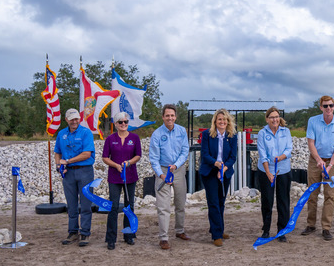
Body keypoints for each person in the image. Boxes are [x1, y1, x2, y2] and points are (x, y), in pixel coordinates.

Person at [301, 95, 334, 241]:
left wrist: (330, 165)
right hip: (315, 161)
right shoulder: (312, 121)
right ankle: (311, 224)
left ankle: (326, 227)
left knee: (330, 195)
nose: (328, 108)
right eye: (325, 106)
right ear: (321, 107)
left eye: (331, 105)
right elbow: (311, 143)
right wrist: (319, 160)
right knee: (312, 194)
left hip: (331, 161)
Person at [149, 104, 190, 250]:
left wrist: (176, 165)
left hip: (177, 170)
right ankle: (164, 238)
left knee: (180, 203)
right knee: (163, 206)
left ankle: (179, 231)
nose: (170, 118)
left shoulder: (181, 131)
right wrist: (161, 174)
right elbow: (153, 157)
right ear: (163, 117)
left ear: (175, 116)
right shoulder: (157, 134)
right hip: (163, 170)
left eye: (172, 115)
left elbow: (185, 151)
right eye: (167, 115)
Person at [54, 108, 95, 247]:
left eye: (76, 118)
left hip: (85, 171)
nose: (75, 121)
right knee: (71, 205)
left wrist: (68, 161)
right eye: (71, 119)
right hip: (68, 173)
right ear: (66, 120)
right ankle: (72, 232)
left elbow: (87, 154)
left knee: (85, 204)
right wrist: (58, 165)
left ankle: (85, 232)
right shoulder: (61, 134)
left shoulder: (86, 132)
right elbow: (57, 152)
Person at [101, 112, 142, 250]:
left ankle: (129, 234)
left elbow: (138, 155)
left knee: (129, 206)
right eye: (120, 122)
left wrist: (129, 163)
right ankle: (111, 238)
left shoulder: (135, 138)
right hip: (114, 176)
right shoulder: (110, 139)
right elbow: (105, 157)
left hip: (130, 176)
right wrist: (116, 165)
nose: (123, 124)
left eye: (125, 122)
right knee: (113, 207)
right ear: (116, 124)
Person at [200, 109, 238, 247]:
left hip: (225, 172)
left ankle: (219, 229)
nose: (222, 122)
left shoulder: (232, 136)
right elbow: (205, 154)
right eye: (219, 119)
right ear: (215, 121)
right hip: (210, 171)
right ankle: (216, 235)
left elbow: (233, 156)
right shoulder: (207, 134)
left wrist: (224, 168)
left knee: (221, 201)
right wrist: (216, 164)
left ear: (228, 121)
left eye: (224, 119)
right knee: (214, 203)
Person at [257, 107, 293, 242]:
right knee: (267, 201)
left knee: (283, 201)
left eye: (276, 116)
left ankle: (281, 231)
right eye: (271, 117)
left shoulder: (286, 131)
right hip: (266, 171)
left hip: (283, 170)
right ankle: (266, 230)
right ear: (267, 119)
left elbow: (289, 148)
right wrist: (268, 172)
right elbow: (262, 154)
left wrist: (282, 157)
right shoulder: (262, 133)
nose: (274, 119)